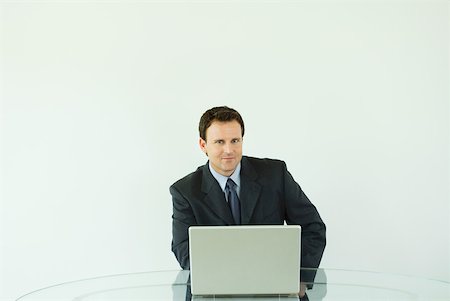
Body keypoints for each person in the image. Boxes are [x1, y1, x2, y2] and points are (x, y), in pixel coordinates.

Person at [170, 106, 326, 297]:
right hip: (215, 292)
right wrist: (233, 279)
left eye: (235, 140)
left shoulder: (275, 175)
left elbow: (313, 227)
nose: (229, 150)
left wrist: (300, 278)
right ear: (203, 145)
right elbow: (183, 250)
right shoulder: (185, 191)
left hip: (274, 289)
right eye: (219, 142)